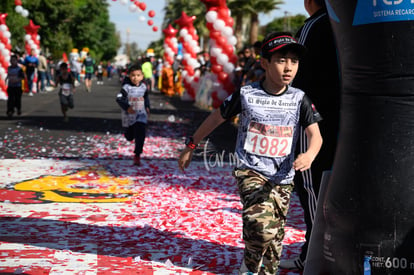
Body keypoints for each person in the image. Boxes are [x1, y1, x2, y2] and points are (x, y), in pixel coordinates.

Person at [178, 31, 323, 275]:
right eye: (281, 60)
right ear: (264, 63)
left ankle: (253, 265)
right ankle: (251, 265)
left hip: (283, 178)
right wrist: (191, 145)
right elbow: (216, 118)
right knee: (261, 226)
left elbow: (316, 136)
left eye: (294, 61)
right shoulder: (246, 94)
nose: (289, 68)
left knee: (274, 238)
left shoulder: (300, 99)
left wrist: (309, 155)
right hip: (251, 171)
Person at [279, 0, 341, 271]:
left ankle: (315, 256)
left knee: (312, 188)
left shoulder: (314, 25)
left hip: (315, 122)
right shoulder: (346, 24)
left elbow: (297, 79)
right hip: (349, 121)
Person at [116, 64, 151, 166]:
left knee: (140, 134)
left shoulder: (144, 87)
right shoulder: (126, 88)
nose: (136, 78)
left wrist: (148, 106)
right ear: (129, 76)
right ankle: (128, 133)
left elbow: (146, 97)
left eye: (138, 75)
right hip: (129, 116)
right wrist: (127, 107)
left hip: (141, 115)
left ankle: (137, 155)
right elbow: (119, 99)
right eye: (133, 75)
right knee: (130, 136)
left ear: (142, 76)